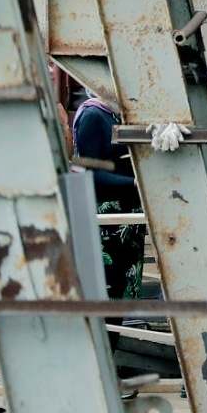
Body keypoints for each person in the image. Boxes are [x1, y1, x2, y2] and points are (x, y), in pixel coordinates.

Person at [70, 86, 144, 297]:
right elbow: (89, 172)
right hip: (107, 220)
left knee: (121, 292)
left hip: (127, 218)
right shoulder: (93, 115)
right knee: (107, 291)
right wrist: (133, 183)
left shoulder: (119, 114)